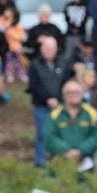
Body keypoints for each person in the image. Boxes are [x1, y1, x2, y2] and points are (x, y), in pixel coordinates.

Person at [44, 80, 97, 168]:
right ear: (64, 95)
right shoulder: (54, 115)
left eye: (76, 92)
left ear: (82, 94)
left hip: (86, 162)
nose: (73, 95)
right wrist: (66, 151)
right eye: (69, 92)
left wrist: (80, 151)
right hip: (59, 163)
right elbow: (49, 137)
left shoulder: (92, 113)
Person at [27, 36, 67, 167]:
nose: (50, 51)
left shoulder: (63, 63)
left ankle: (59, 159)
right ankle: (40, 162)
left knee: (61, 132)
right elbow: (34, 86)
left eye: (53, 48)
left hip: (61, 105)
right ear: (42, 49)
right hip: (41, 105)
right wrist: (48, 98)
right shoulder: (34, 65)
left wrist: (59, 99)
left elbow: (66, 83)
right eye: (48, 48)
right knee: (42, 133)